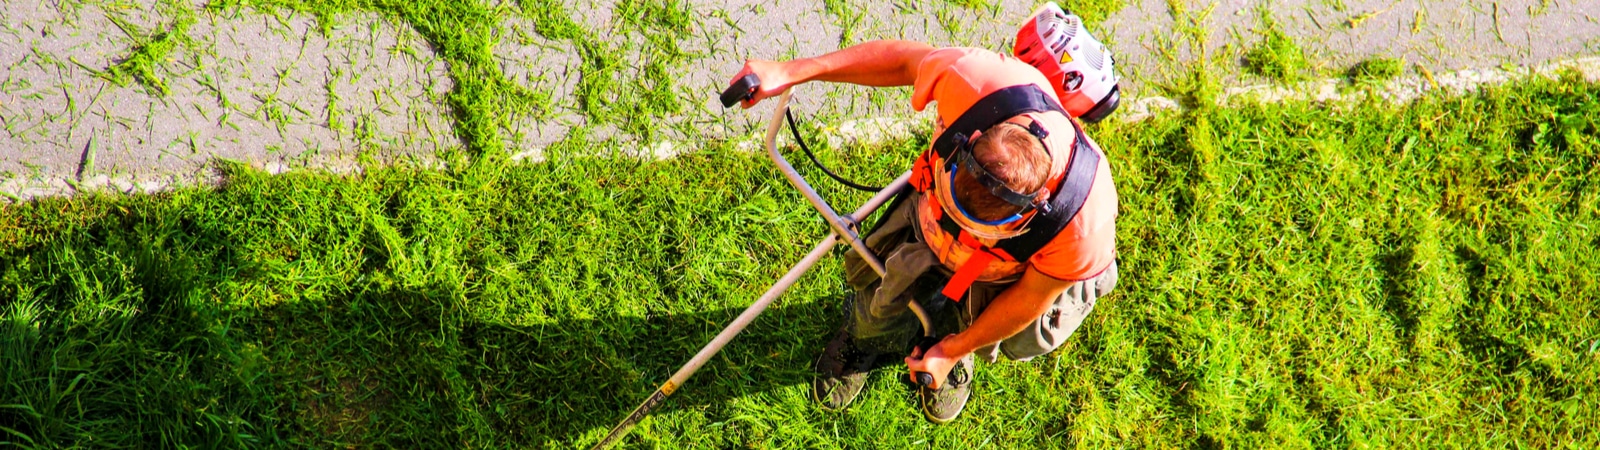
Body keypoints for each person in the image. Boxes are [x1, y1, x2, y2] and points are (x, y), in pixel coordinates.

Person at [727, 3, 1120, 423]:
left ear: (1035, 206)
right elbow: (903, 61)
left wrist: (953, 350)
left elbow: (1030, 297)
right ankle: (864, 340)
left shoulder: (1083, 221)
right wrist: (792, 71)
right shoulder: (979, 82)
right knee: (879, 299)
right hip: (926, 219)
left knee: (985, 327)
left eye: (980, 225)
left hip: (1004, 272)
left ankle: (951, 343)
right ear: (972, 140)